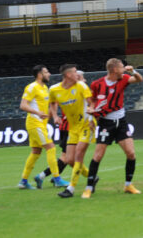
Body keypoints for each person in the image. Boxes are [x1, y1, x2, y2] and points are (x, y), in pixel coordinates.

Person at [82, 59, 143, 199]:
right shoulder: (97, 84)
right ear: (114, 69)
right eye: (122, 67)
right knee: (98, 156)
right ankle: (89, 187)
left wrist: (132, 71)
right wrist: (91, 114)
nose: (124, 69)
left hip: (121, 122)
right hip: (105, 123)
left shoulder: (124, 78)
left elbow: (139, 79)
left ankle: (128, 185)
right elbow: (92, 101)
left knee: (131, 154)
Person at [17, 65, 69, 190]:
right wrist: (38, 113)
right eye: (46, 72)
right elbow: (23, 105)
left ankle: (23, 181)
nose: (49, 74)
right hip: (34, 123)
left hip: (41, 124)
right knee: (51, 148)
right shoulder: (31, 87)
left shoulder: (45, 88)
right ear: (40, 74)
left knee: (36, 152)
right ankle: (57, 179)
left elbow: (48, 108)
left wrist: (54, 116)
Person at [49, 64, 96, 198]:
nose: (78, 75)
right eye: (76, 72)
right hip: (73, 128)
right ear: (68, 75)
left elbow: (91, 102)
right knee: (69, 160)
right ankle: (91, 176)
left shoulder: (81, 86)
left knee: (78, 155)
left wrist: (92, 113)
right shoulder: (54, 89)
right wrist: (55, 116)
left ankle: (70, 189)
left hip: (87, 124)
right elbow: (52, 103)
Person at [34, 70, 85, 188]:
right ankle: (45, 176)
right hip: (69, 127)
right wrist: (53, 116)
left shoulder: (75, 90)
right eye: (82, 78)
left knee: (66, 157)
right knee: (67, 157)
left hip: (69, 127)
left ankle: (53, 178)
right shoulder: (69, 91)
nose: (84, 80)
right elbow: (53, 103)